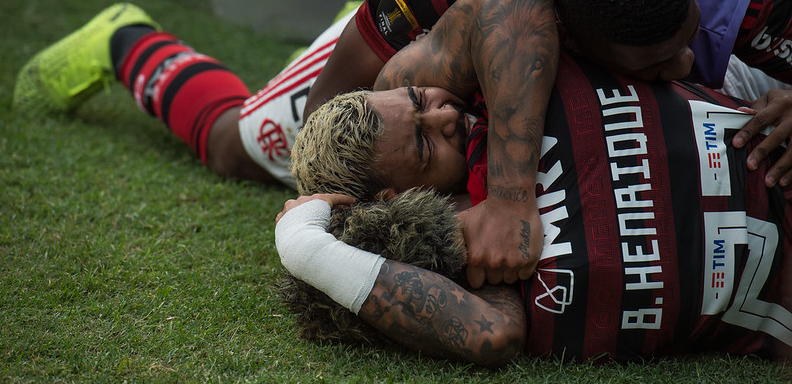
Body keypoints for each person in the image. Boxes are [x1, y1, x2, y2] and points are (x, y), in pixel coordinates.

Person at [12, 0, 792, 285]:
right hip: (404, 59)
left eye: (687, 39)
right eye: (655, 64)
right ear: (570, 39)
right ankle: (125, 38)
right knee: (249, 149)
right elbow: (331, 122)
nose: (683, 60)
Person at [278, 44, 792, 366]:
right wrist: (303, 246)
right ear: (394, 201)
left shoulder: (502, 81)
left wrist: (510, 198)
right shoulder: (476, 266)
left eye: (420, 99)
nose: (445, 116)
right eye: (423, 145)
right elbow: (491, 337)